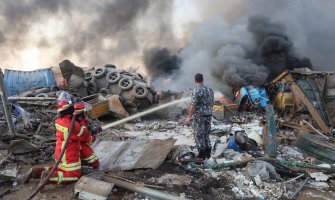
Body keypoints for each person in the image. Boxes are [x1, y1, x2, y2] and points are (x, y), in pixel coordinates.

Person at [23, 92, 96, 184]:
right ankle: (49, 178)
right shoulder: (74, 125)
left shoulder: (59, 121)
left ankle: (36, 172)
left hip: (60, 152)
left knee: (60, 168)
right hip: (70, 154)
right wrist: (92, 135)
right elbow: (85, 136)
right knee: (74, 175)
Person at [185, 73, 214, 159]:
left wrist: (189, 117)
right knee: (206, 134)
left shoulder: (196, 90)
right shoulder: (210, 90)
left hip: (199, 116)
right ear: (203, 80)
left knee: (198, 135)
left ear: (195, 81)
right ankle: (208, 154)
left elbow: (193, 105)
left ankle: (201, 155)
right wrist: (209, 110)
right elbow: (212, 102)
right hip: (209, 114)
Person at [73, 101, 100, 169]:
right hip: (77, 145)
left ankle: (83, 163)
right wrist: (93, 136)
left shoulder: (78, 120)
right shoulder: (76, 124)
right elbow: (86, 138)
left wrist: (91, 131)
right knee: (95, 163)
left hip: (78, 143)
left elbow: (85, 132)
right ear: (81, 113)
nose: (85, 114)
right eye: (84, 112)